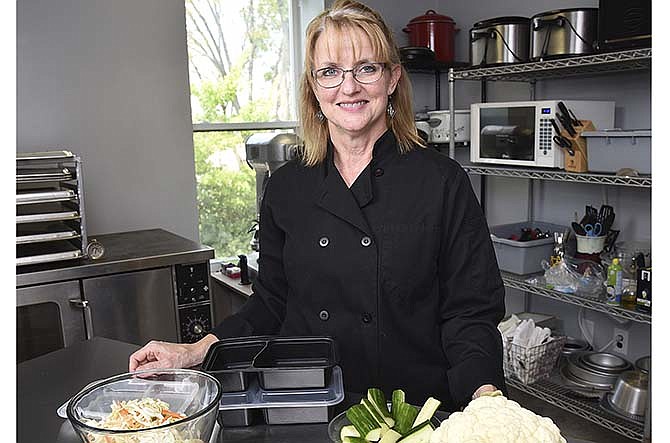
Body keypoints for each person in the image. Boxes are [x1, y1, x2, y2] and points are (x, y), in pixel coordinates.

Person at [130, 0, 505, 411]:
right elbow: (271, 302)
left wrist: (485, 397)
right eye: (330, 72)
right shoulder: (287, 186)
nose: (349, 88)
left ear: (393, 77)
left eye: (367, 67)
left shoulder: (442, 182)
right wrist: (195, 351)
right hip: (307, 400)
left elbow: (470, 313)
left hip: (413, 408)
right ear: (313, 85)